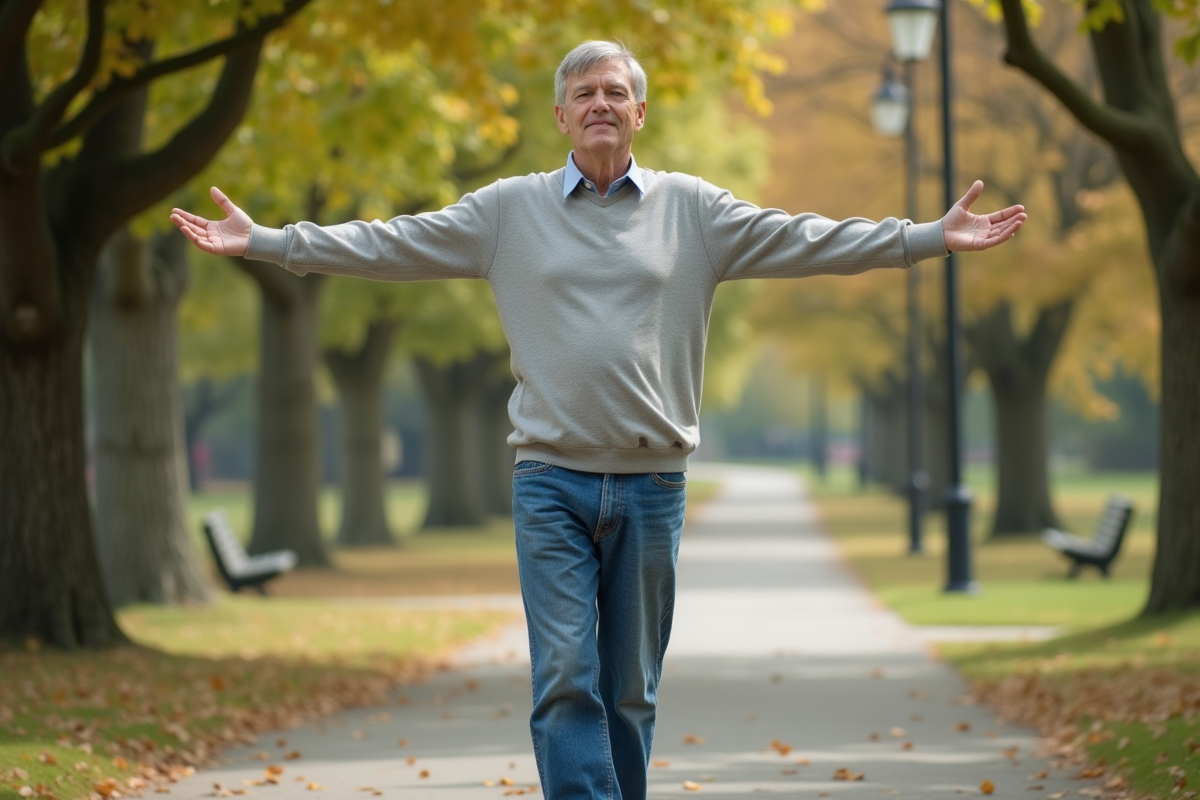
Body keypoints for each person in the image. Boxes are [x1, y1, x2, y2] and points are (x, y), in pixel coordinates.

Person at [172, 40, 1025, 800]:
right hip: (551, 481)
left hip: (654, 485)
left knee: (629, 691)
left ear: (640, 111)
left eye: (615, 91)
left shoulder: (694, 211)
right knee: (566, 677)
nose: (600, 105)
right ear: (561, 116)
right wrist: (273, 241)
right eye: (584, 93)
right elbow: (390, 242)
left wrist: (926, 237)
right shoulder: (508, 212)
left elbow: (809, 239)